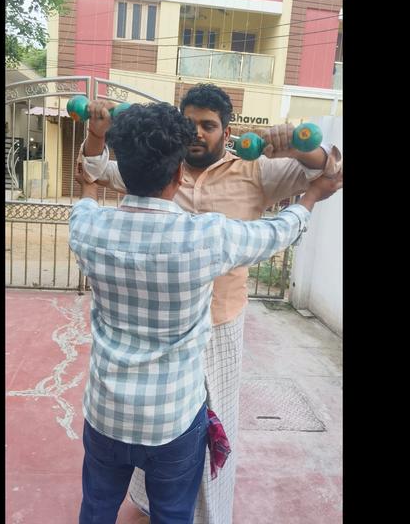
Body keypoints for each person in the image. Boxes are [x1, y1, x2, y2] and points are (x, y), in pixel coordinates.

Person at [79, 86, 343, 524]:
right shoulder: (173, 182)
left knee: (209, 423)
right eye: (191, 124)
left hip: (220, 324)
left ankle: (210, 511)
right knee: (173, 437)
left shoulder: (257, 170)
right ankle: (154, 504)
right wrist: (310, 199)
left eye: (208, 125)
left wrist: (300, 146)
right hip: (171, 367)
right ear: (176, 174)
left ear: (227, 130)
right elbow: (285, 226)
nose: (198, 133)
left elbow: (329, 170)